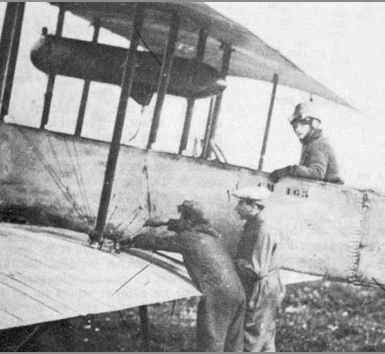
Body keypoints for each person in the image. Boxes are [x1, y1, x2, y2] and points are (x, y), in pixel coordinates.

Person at [122, 200, 246, 352]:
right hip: (238, 292)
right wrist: (164, 222)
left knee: (210, 344)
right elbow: (188, 226)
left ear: (188, 220)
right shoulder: (212, 235)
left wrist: (131, 239)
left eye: (182, 217)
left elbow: (155, 241)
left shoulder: (188, 239)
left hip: (218, 295)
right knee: (233, 346)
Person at [232, 187, 285, 352]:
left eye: (240, 203)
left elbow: (257, 270)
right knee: (266, 337)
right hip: (270, 285)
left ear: (252, 206)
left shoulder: (261, 229)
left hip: (261, 289)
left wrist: (234, 264)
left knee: (251, 339)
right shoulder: (256, 224)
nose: (236, 207)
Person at [269, 101, 343, 184]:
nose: (297, 129)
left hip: (329, 193)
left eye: (303, 124)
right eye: (295, 126)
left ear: (314, 124)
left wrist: (290, 170)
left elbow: (317, 173)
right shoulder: (310, 144)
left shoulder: (320, 145)